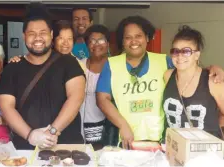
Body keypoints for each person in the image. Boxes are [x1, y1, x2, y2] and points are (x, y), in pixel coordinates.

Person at [96, 16, 224, 149]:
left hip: (162, 141)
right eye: (128, 37)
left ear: (147, 38)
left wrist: (213, 69)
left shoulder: (165, 61)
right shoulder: (111, 64)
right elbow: (102, 99)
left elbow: (189, 68)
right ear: (122, 41)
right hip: (128, 140)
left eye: (138, 35)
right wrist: (123, 125)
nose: (133, 41)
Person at [0, 3, 85, 150]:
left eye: (43, 32)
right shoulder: (12, 68)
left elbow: (76, 98)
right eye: (32, 34)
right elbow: (6, 106)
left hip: (66, 146)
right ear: (24, 36)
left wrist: (52, 132)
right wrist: (30, 135)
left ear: (51, 35)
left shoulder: (68, 63)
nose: (38, 38)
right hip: (25, 149)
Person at [163, 25, 224, 139]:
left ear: (197, 55)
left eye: (186, 51)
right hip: (174, 149)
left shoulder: (212, 81)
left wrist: (215, 128)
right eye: (175, 51)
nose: (180, 56)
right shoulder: (167, 76)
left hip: (206, 152)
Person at [79, 25, 109, 147]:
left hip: (106, 125)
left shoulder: (115, 66)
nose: (96, 44)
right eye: (92, 40)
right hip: (79, 125)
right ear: (87, 45)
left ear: (107, 44)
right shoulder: (78, 65)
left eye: (101, 40)